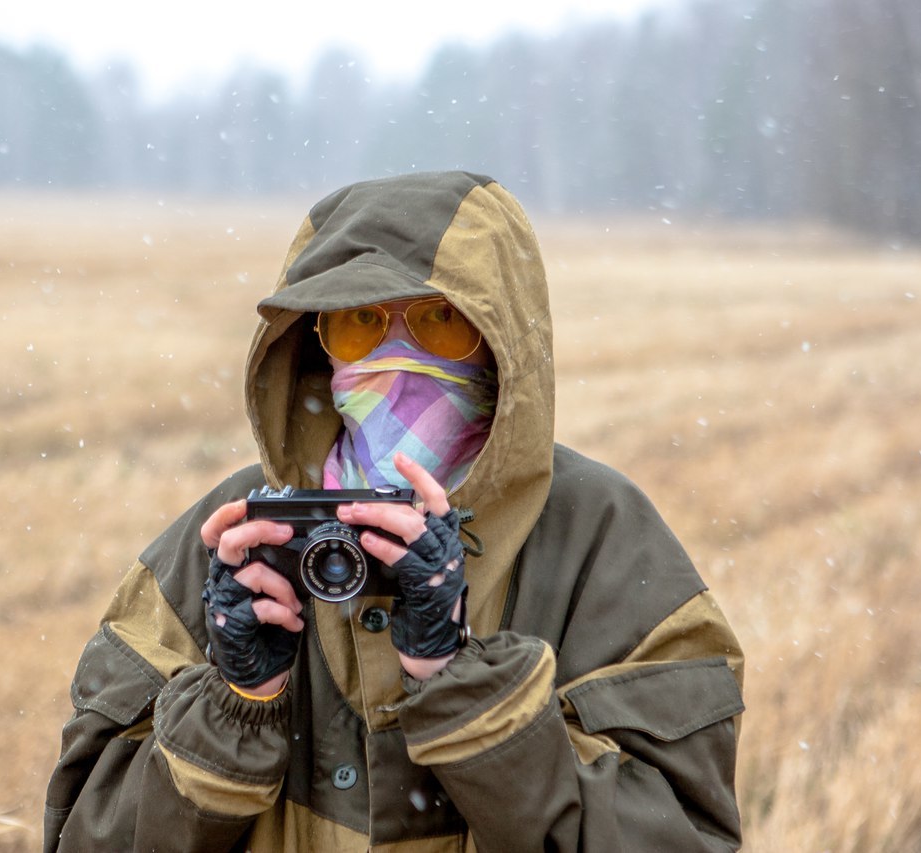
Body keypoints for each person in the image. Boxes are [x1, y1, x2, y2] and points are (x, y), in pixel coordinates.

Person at [43, 171, 745, 851]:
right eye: (361, 323)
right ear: (315, 341)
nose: (399, 356)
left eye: (441, 320)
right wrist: (238, 702)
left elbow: (683, 831)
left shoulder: (605, 539)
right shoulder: (231, 536)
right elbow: (84, 835)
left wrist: (460, 682)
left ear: (504, 345)